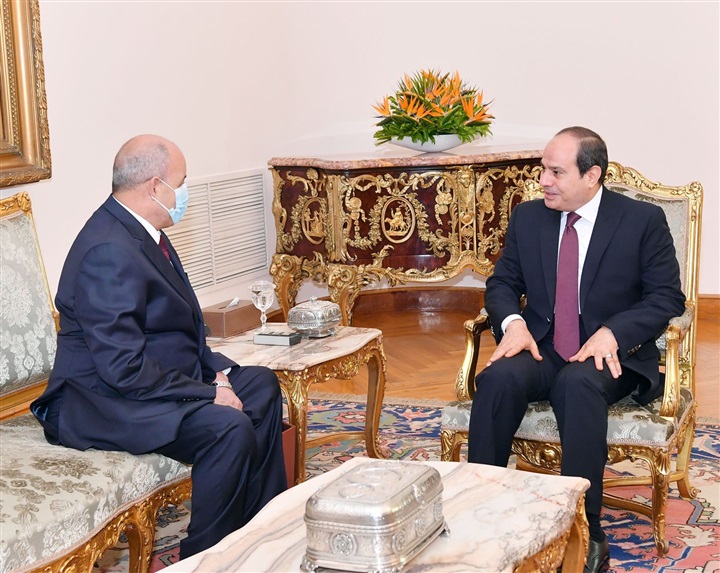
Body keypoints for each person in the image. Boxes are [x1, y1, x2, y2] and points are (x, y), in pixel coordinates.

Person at [31, 134, 287, 559]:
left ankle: (256, 531)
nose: (184, 193)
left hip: (147, 378)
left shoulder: (143, 230)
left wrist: (216, 374)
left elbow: (179, 327)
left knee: (260, 385)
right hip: (102, 399)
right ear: (155, 187)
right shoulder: (107, 251)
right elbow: (122, 368)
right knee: (227, 427)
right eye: (181, 183)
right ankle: (207, 558)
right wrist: (208, 392)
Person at [467, 126, 685, 573]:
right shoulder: (529, 217)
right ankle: (483, 511)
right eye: (542, 170)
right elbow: (502, 283)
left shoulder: (641, 221)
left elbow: (666, 297)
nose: (543, 181)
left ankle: (585, 531)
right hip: (544, 344)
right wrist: (512, 324)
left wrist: (614, 332)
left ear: (592, 175)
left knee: (577, 385)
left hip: (611, 353)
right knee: (498, 378)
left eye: (555, 172)